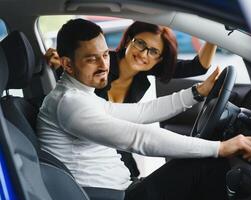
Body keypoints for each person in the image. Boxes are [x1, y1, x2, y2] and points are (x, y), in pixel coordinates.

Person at [37, 19, 251, 200]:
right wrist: (219, 148)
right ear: (67, 64)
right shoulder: (70, 104)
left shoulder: (80, 96)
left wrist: (196, 93)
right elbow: (140, 137)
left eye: (105, 55)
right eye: (91, 59)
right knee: (206, 167)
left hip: (121, 189)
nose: (103, 64)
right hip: (111, 195)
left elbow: (140, 113)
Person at [45, 20, 217, 177]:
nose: (143, 54)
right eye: (140, 43)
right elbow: (140, 136)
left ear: (159, 59)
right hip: (95, 152)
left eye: (153, 51)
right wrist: (60, 64)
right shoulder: (88, 79)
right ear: (128, 41)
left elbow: (198, 67)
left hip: (114, 151)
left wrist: (216, 32)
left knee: (136, 172)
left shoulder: (145, 69)